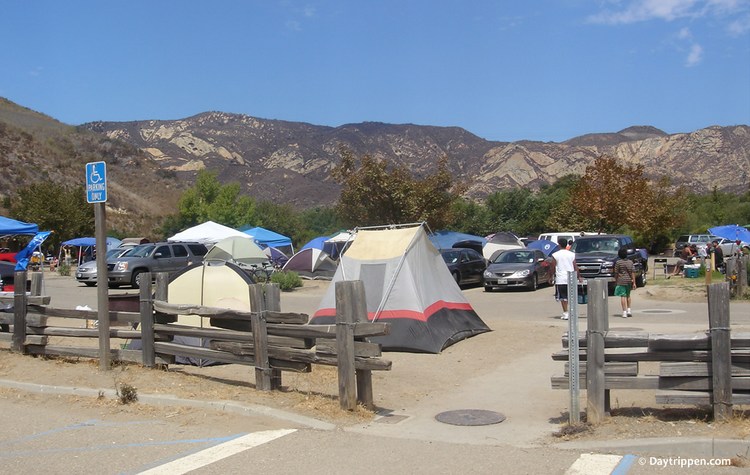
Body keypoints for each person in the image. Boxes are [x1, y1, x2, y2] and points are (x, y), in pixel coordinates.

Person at [548, 237, 581, 320]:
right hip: (571, 278)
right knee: (571, 296)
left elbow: (552, 266)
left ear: (559, 244)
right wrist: (579, 276)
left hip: (561, 278)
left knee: (563, 297)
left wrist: (550, 276)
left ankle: (566, 312)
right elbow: (575, 266)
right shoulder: (571, 254)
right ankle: (573, 313)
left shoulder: (555, 255)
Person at [614, 247, 637, 318]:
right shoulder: (630, 262)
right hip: (629, 280)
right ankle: (629, 310)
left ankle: (624, 312)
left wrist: (616, 279)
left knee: (623, 296)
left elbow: (616, 272)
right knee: (628, 295)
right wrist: (634, 282)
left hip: (621, 280)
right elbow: (633, 272)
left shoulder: (618, 262)